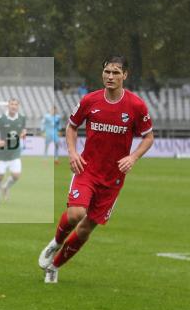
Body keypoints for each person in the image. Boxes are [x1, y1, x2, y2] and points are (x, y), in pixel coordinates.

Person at [38, 56, 154, 284]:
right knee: (76, 214)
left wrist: (133, 157)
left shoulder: (136, 105)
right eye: (107, 72)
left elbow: (148, 137)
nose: (110, 76)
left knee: (85, 229)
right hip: (87, 169)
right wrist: (72, 153)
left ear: (125, 76)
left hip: (113, 178)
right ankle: (55, 243)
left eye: (116, 73)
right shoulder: (89, 100)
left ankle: (54, 266)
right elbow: (72, 128)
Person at [0, 98, 28, 204]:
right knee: (0, 176)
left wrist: (23, 133)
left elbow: (23, 130)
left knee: (16, 176)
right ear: (8, 105)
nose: (14, 106)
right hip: (1, 153)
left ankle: (6, 187)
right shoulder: (1, 118)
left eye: (16, 104)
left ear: (18, 106)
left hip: (15, 152)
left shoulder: (22, 118)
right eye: (12, 104)